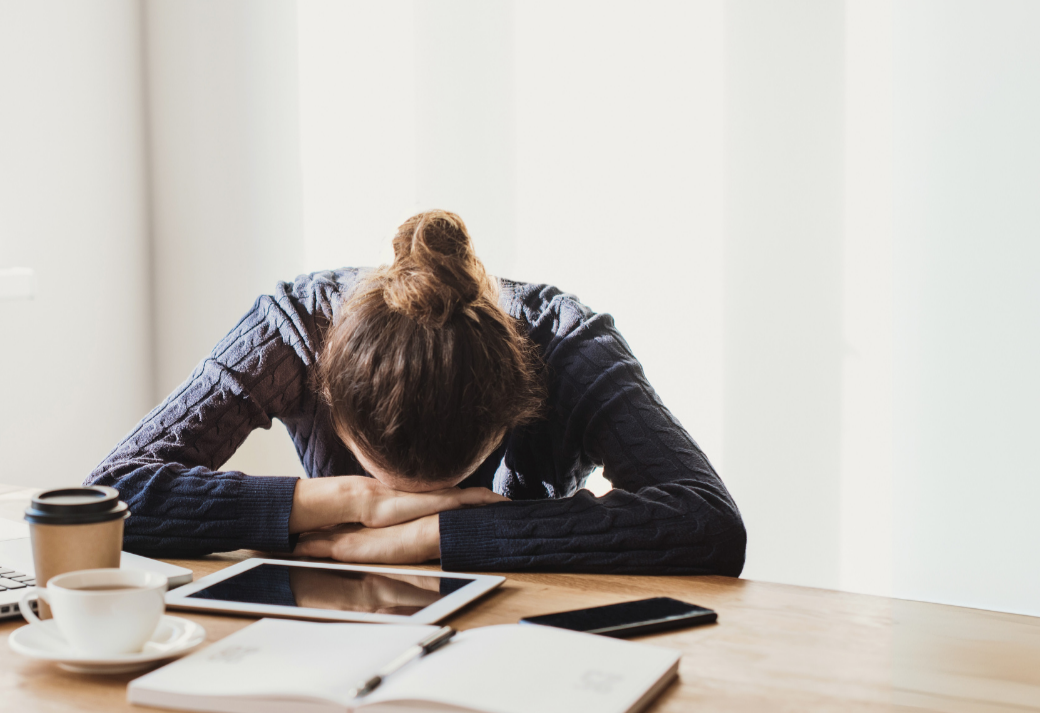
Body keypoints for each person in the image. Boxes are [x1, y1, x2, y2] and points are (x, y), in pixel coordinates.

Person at [85, 211, 746, 575]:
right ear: (328, 389)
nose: (408, 503)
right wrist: (353, 501)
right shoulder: (296, 328)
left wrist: (442, 534)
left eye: (444, 488)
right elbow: (108, 495)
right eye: (392, 484)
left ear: (518, 402)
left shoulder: (566, 343)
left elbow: (708, 521)